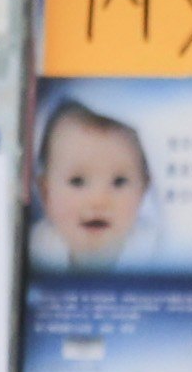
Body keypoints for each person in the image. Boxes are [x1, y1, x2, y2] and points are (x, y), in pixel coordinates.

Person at [31, 94, 153, 271]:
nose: (98, 200)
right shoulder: (39, 249)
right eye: (77, 181)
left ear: (144, 189)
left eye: (119, 182)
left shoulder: (154, 249)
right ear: (45, 191)